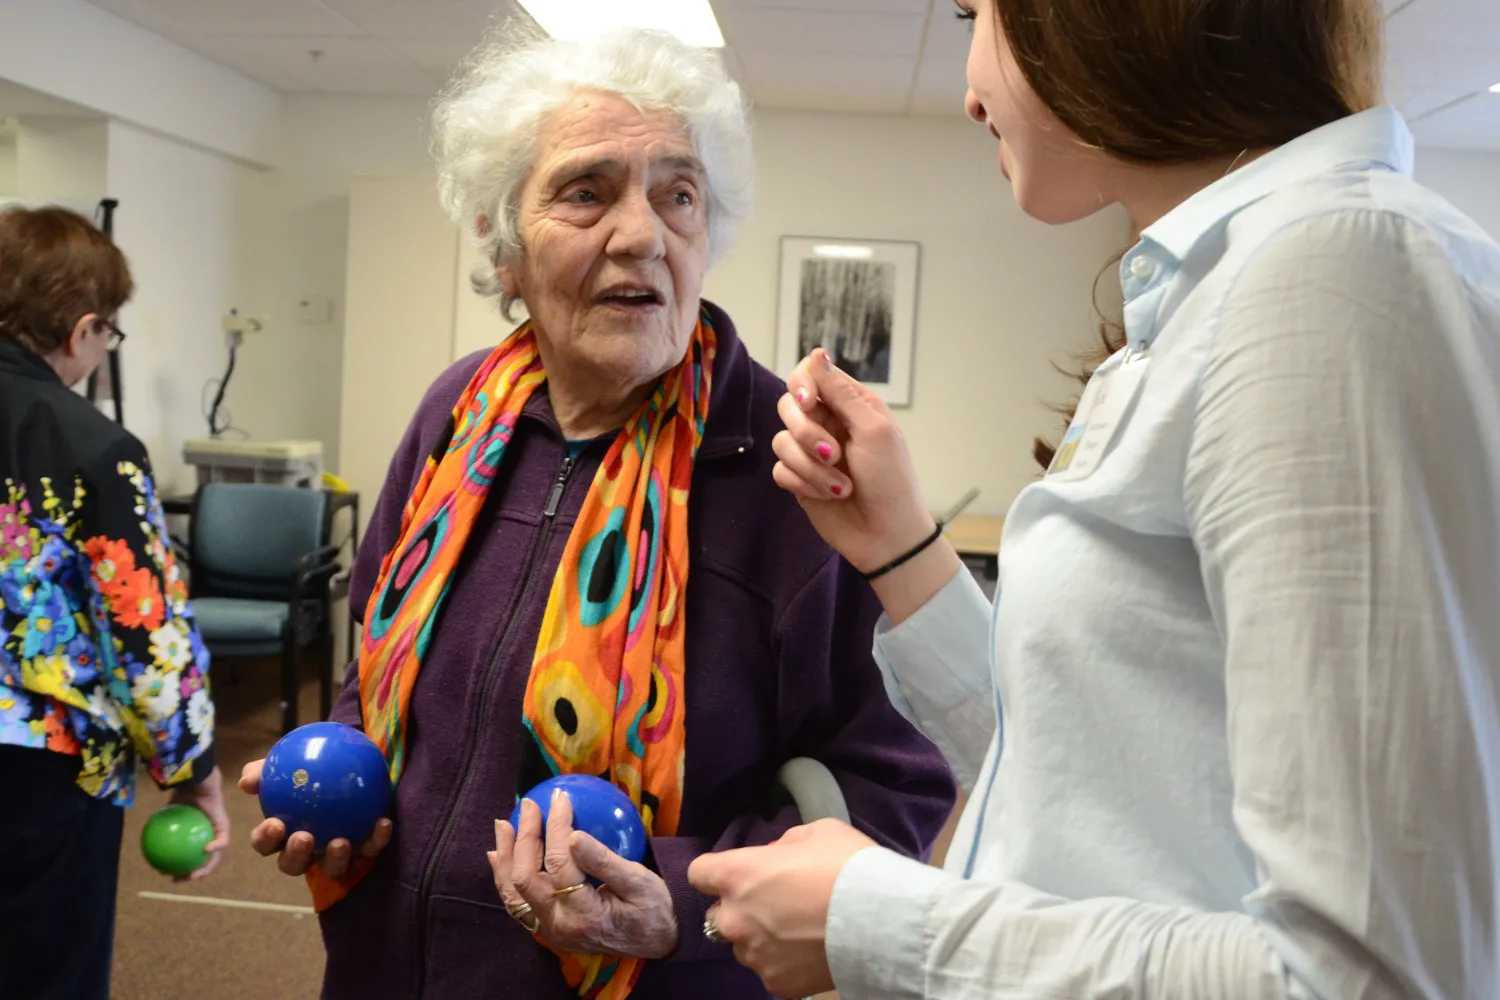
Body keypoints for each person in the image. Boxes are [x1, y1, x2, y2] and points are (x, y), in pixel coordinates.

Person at [687, 0, 1500, 998]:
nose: (970, 80)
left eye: (974, 12)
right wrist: (903, 552)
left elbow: (1371, 977)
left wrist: (877, 920)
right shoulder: (1226, 293)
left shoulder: (1330, 277)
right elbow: (1105, 776)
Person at [237, 25, 956, 1000]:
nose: (642, 233)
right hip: (380, 965)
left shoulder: (791, 476)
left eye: (679, 193)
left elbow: (890, 792)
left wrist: (683, 909)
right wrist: (347, 785)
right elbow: (376, 648)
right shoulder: (458, 413)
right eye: (587, 190)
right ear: (504, 246)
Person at [0, 205, 227, 1000]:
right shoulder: (92, 448)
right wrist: (192, 768)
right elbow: (146, 636)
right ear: (82, 331)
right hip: (34, 773)